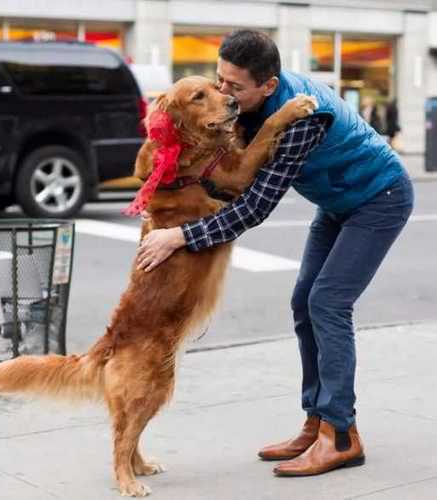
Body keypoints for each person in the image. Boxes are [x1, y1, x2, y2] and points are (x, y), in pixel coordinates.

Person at [135, 30, 414, 477]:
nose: (225, 94)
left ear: (268, 85)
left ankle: (341, 435)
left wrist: (181, 237)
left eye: (235, 87)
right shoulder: (246, 102)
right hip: (337, 202)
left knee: (328, 303)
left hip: (379, 197)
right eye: (221, 80)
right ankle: (316, 420)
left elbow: (255, 206)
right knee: (304, 303)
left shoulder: (302, 119)